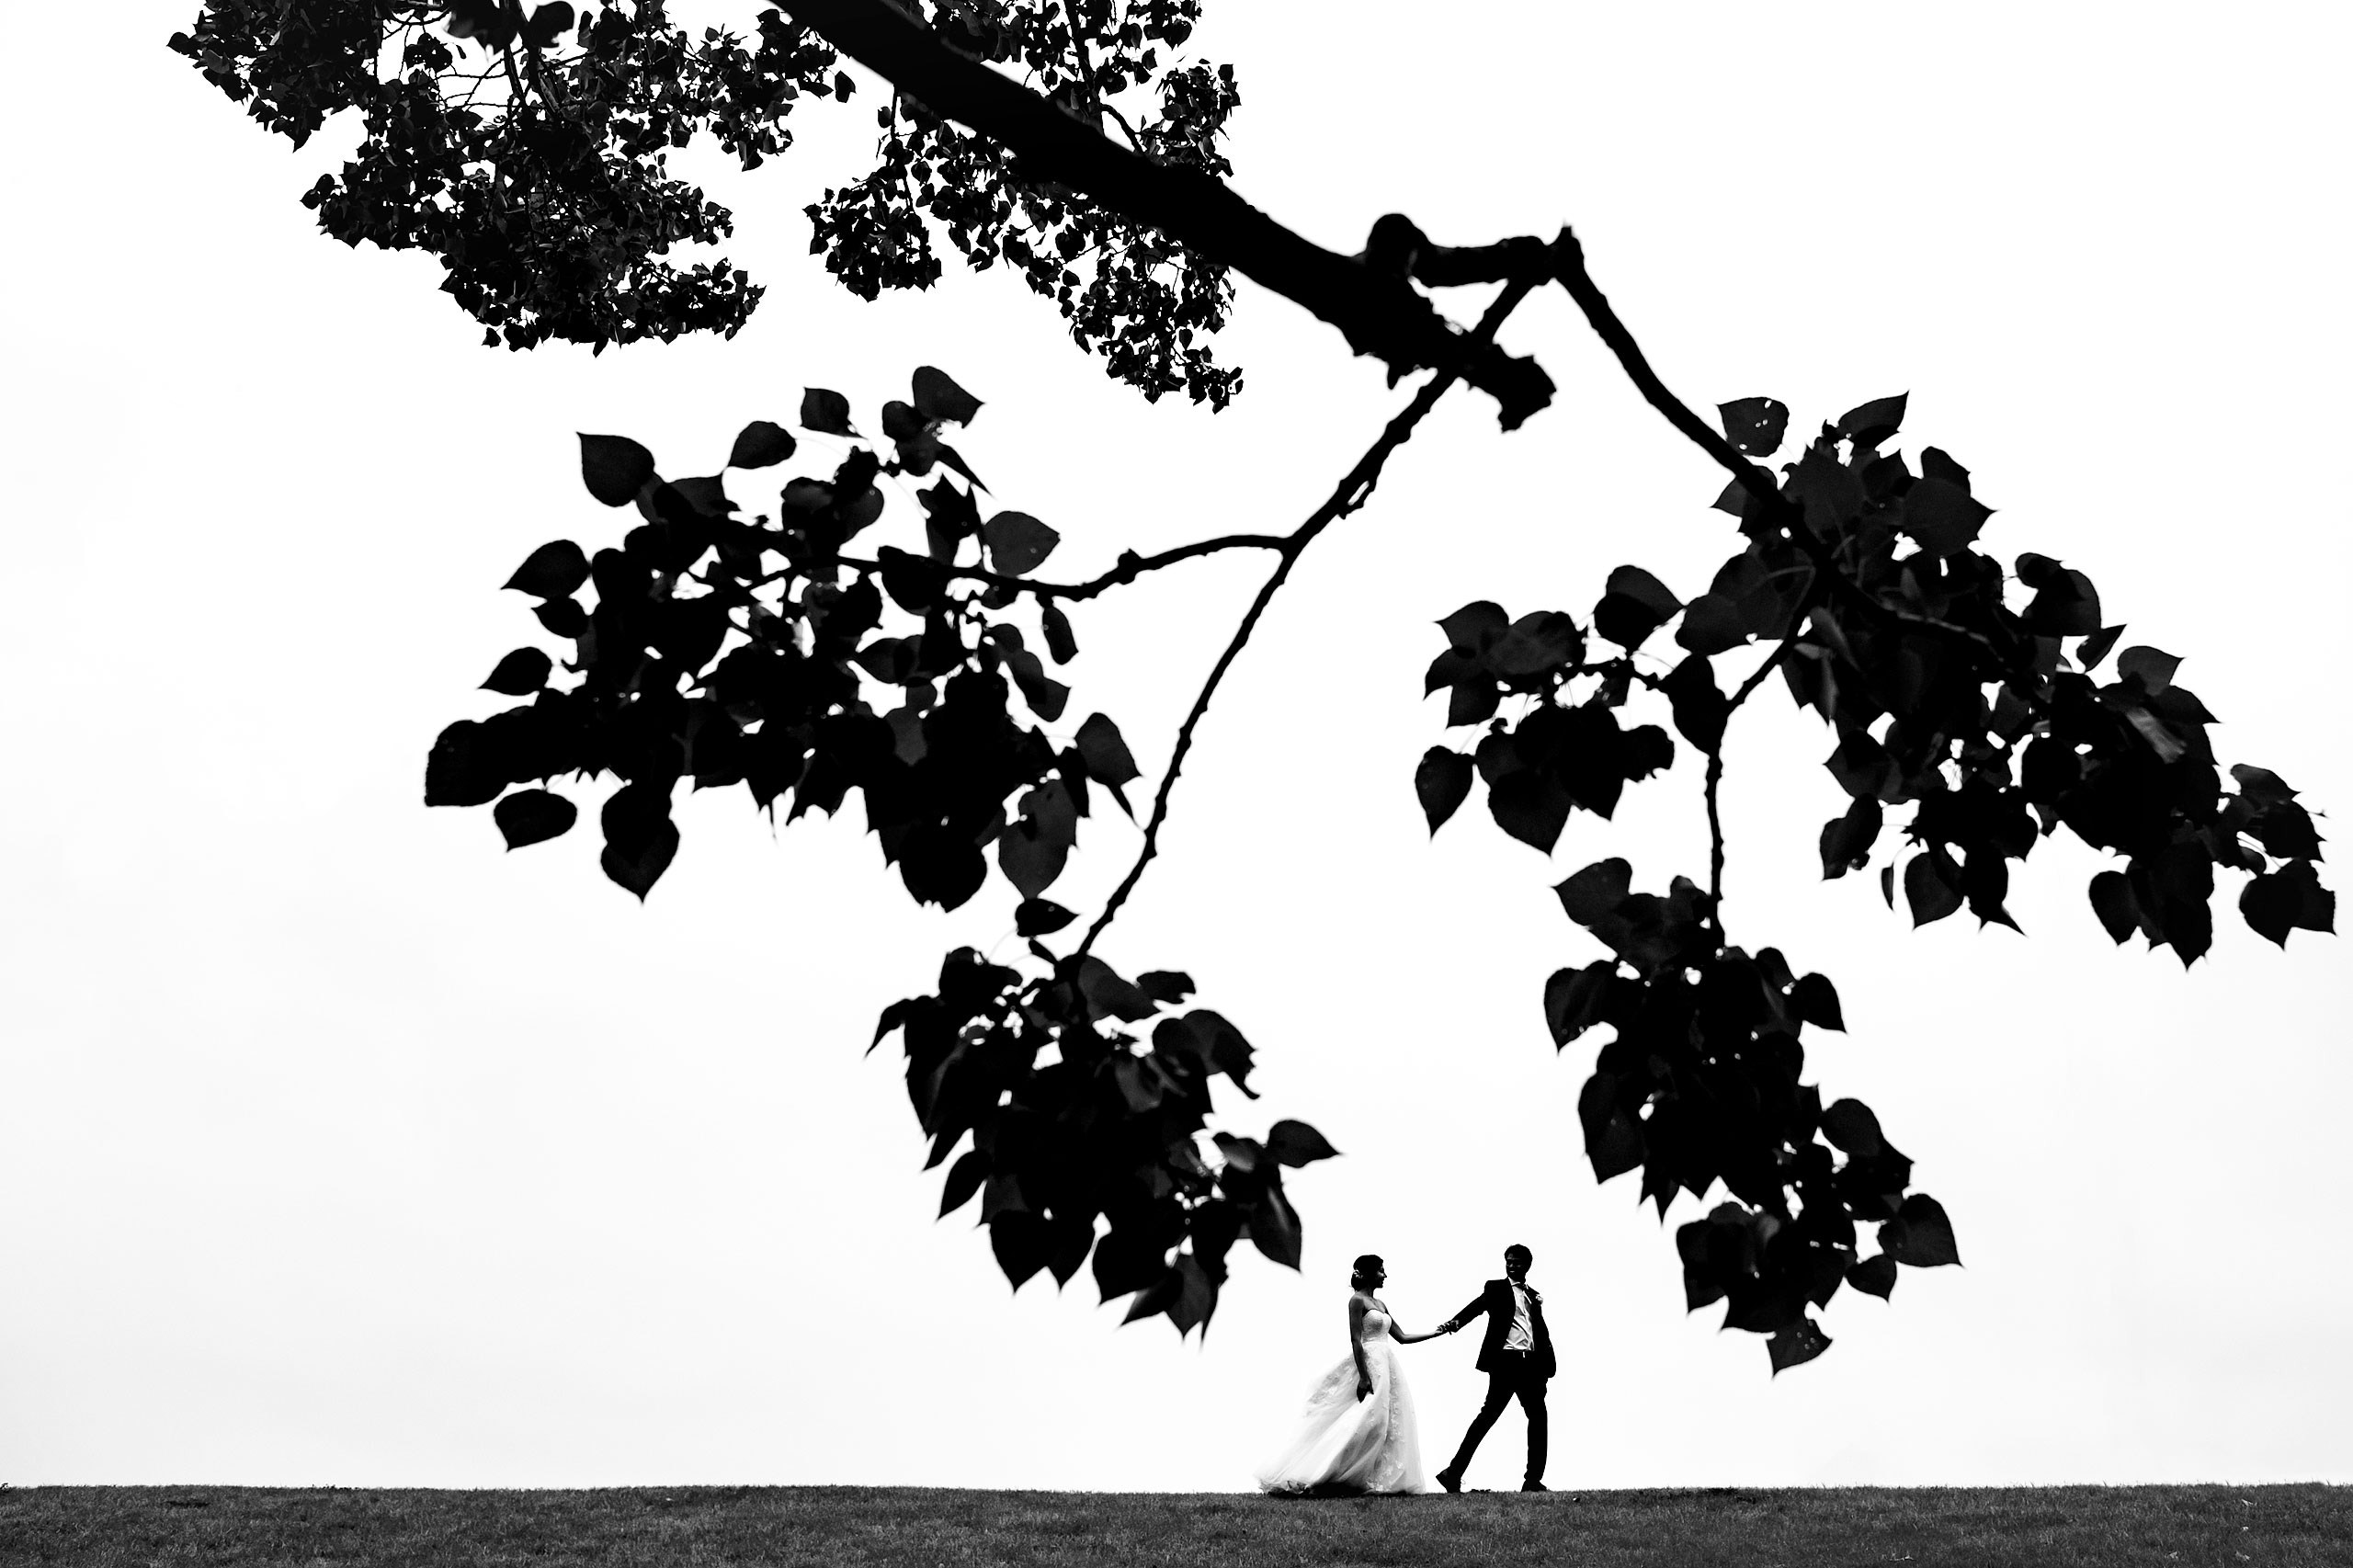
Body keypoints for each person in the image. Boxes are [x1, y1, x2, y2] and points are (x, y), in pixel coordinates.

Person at [1254, 1254, 1443, 1495]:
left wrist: (1437, 1332)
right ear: (1369, 1273)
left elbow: (1402, 1337)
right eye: (1381, 1270)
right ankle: (1329, 1473)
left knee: (1384, 1422)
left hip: (1387, 1365)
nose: (1385, 1275)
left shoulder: (1382, 1305)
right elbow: (1356, 1340)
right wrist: (1364, 1376)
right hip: (1370, 1363)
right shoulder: (1357, 1301)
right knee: (1368, 1419)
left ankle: (1369, 1476)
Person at [1433, 1243, 1555, 1494]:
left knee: (1539, 1418)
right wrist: (1455, 1323)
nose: (1511, 1266)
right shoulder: (1495, 1288)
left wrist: (1544, 1366)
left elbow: (1539, 1332)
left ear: (1527, 1265)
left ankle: (1532, 1481)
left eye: (1517, 1262)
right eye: (1508, 1261)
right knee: (1487, 1417)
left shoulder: (1533, 1295)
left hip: (1530, 1365)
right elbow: (1476, 1308)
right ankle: (1453, 1473)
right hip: (1505, 1363)